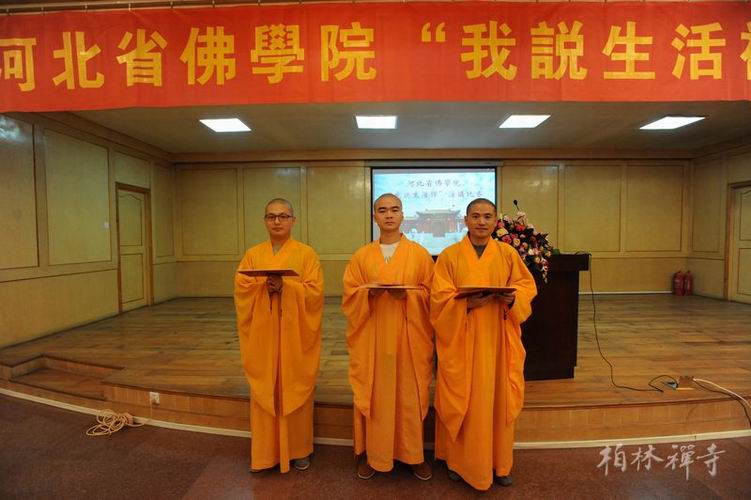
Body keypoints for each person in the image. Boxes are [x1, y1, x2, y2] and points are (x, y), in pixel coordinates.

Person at [431, 198, 537, 490]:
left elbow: (526, 286)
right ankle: (457, 461)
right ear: (465, 220)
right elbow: (438, 298)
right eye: (475, 216)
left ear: (495, 222)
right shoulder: (450, 256)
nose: (481, 221)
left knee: (497, 399)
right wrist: (464, 304)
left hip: (498, 340)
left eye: (487, 216)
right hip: (462, 339)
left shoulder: (507, 253)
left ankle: (499, 463)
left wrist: (512, 298)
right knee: (462, 398)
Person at [342, 193, 435, 481]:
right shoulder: (361, 256)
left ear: (403, 215)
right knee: (376, 394)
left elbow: (432, 295)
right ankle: (374, 455)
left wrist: (407, 295)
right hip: (373, 338)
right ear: (375, 217)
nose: (389, 215)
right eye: (382, 210)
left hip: (409, 338)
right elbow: (350, 296)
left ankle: (413, 455)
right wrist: (367, 294)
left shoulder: (419, 254)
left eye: (395, 210)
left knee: (409, 395)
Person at [234, 198, 324, 474]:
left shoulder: (307, 254)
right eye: (271, 216)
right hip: (263, 336)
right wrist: (264, 287)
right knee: (265, 388)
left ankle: (299, 450)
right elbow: (242, 289)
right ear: (265, 220)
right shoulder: (252, 254)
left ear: (293, 220)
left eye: (283, 216)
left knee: (294, 385)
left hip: (295, 337)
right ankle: (265, 453)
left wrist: (287, 287)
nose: (277, 221)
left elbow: (315, 293)